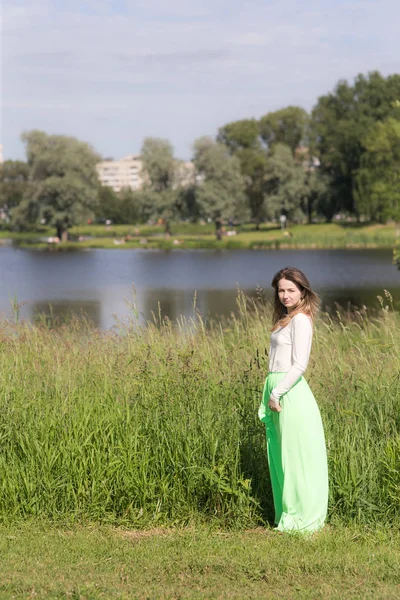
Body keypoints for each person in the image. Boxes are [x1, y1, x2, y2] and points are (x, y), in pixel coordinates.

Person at [258, 266, 328, 533]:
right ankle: (286, 511)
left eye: (291, 290)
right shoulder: (286, 318)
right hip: (276, 388)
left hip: (289, 392)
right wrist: (269, 390)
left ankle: (302, 516)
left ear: (302, 291)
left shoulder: (300, 320)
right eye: (281, 290)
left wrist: (277, 393)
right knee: (279, 454)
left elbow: (299, 365)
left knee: (294, 456)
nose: (285, 295)